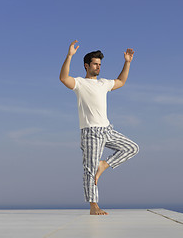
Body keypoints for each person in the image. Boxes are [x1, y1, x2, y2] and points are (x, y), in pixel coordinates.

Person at [59, 40, 139, 215]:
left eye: (100, 64)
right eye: (95, 64)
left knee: (132, 148)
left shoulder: (103, 83)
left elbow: (121, 81)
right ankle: (93, 205)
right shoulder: (80, 83)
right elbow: (63, 78)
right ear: (86, 66)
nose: (98, 67)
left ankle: (104, 165)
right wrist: (69, 56)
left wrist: (127, 62)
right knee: (89, 169)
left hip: (107, 130)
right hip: (91, 132)